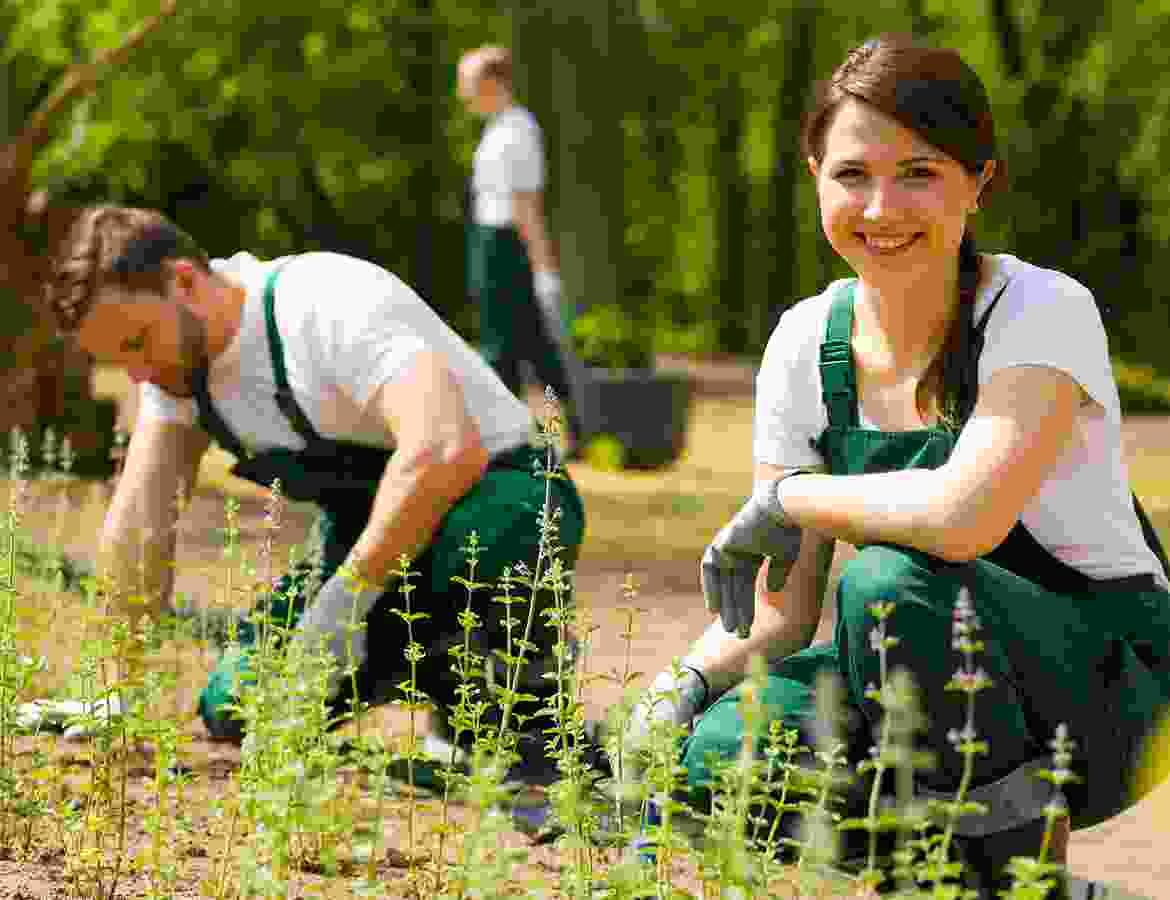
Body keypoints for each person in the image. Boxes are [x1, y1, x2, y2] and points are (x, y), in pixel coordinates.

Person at [621, 33, 1170, 897]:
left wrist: (793, 496)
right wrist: (680, 686)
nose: (881, 208)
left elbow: (962, 518)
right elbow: (783, 611)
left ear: (977, 184)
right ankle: (963, 875)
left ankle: (1021, 878)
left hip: (1104, 687)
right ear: (814, 175)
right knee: (717, 761)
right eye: (851, 175)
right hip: (905, 668)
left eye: (919, 173)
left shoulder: (1040, 310)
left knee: (886, 582)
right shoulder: (805, 343)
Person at [42, 205, 586, 770]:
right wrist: (114, 686)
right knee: (236, 703)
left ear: (184, 283)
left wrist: (346, 602)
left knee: (482, 540)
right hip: (376, 533)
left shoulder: (324, 302)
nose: (136, 374)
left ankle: (515, 687)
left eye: (136, 343)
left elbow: (446, 449)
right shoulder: (175, 371)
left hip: (506, 494)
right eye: (117, 359)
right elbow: (139, 525)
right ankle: (411, 661)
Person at [456, 45, 588, 456]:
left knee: (506, 347)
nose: (463, 94)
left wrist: (543, 266)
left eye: (469, 84)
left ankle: (512, 439)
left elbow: (526, 205)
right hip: (489, 243)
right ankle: (552, 432)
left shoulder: (518, 130)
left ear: (493, 83)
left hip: (504, 248)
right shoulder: (497, 128)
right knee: (527, 346)